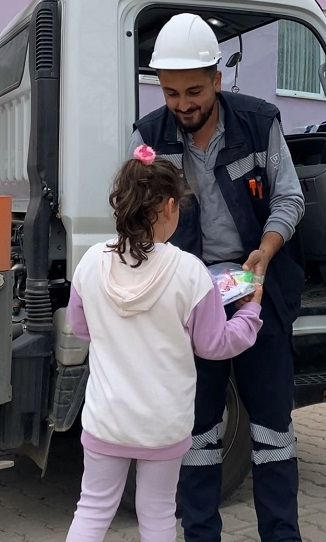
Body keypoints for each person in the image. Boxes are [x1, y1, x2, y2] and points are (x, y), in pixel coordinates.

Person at [129, 12, 306, 542]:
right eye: (170, 92)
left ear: (217, 81)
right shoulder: (147, 136)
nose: (182, 104)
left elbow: (290, 197)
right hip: (185, 300)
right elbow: (135, 215)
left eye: (193, 91)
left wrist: (266, 250)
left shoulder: (258, 122)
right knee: (199, 433)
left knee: (273, 431)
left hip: (259, 291)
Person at [64, 146, 264, 542]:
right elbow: (214, 344)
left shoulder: (89, 263)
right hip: (163, 425)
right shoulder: (190, 273)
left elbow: (79, 327)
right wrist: (249, 312)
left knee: (92, 508)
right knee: (157, 515)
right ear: (171, 207)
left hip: (106, 418)